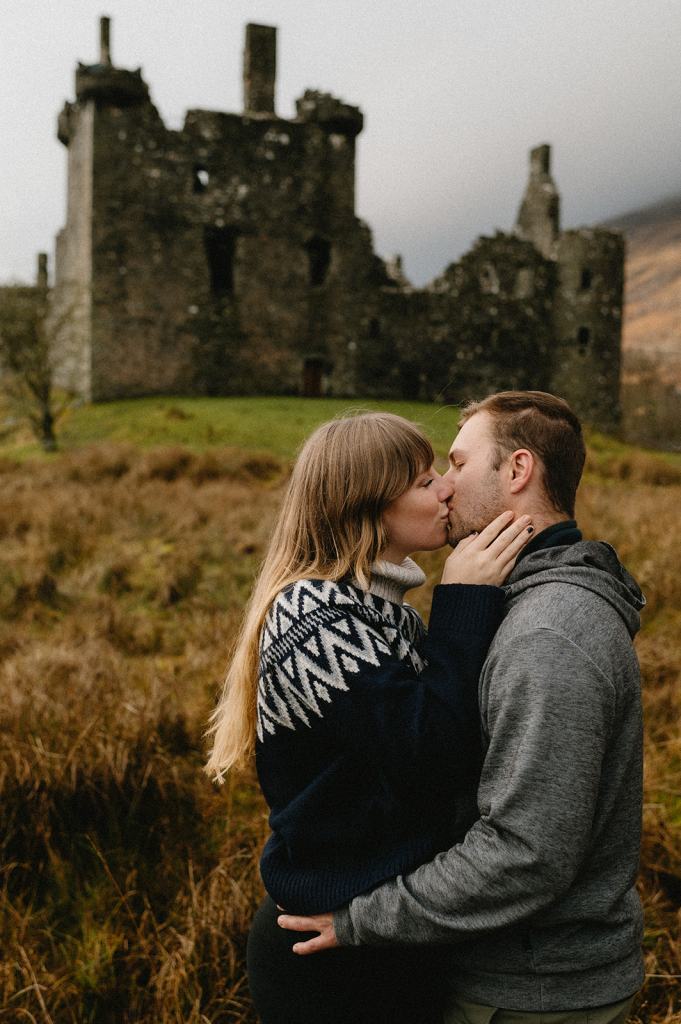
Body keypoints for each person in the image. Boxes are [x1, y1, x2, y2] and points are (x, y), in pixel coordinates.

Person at [279, 392, 646, 1024]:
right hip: (502, 973)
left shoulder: (546, 632)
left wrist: (362, 920)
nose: (445, 487)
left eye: (455, 464)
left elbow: (527, 855)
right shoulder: (503, 604)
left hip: (531, 991)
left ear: (517, 471)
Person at [205, 411, 534, 1024]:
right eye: (422, 481)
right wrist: (462, 600)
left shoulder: (391, 618)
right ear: (367, 507)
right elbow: (430, 756)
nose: (445, 489)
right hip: (327, 958)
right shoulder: (314, 615)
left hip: (381, 935)